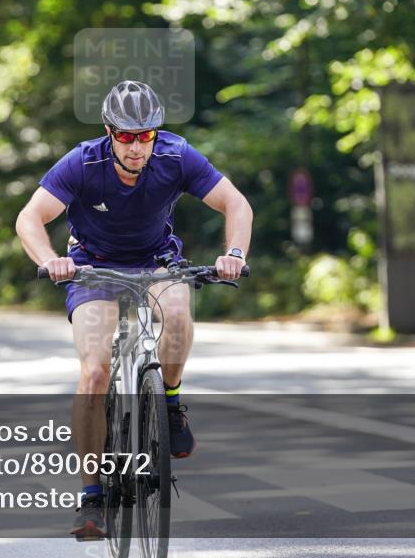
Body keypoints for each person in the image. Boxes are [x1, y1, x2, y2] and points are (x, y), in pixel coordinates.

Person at [15, 80, 253, 540]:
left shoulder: (176, 155)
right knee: (95, 374)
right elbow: (29, 217)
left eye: (145, 135)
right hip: (92, 267)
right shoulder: (84, 163)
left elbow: (235, 203)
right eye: (125, 135)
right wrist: (51, 262)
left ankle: (170, 401)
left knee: (179, 314)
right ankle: (92, 496)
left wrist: (236, 254)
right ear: (109, 132)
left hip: (156, 260)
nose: (136, 146)